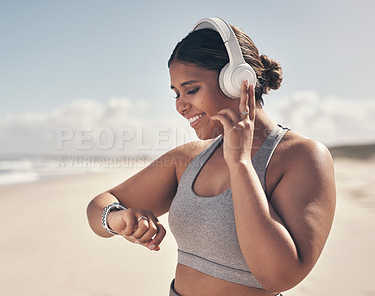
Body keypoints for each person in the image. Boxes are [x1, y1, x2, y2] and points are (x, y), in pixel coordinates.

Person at [87, 17, 336, 296]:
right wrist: (117, 219)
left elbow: (277, 277)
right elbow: (99, 206)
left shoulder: (302, 157)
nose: (181, 106)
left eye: (191, 90)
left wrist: (240, 163)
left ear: (239, 81)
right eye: (176, 94)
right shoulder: (189, 159)